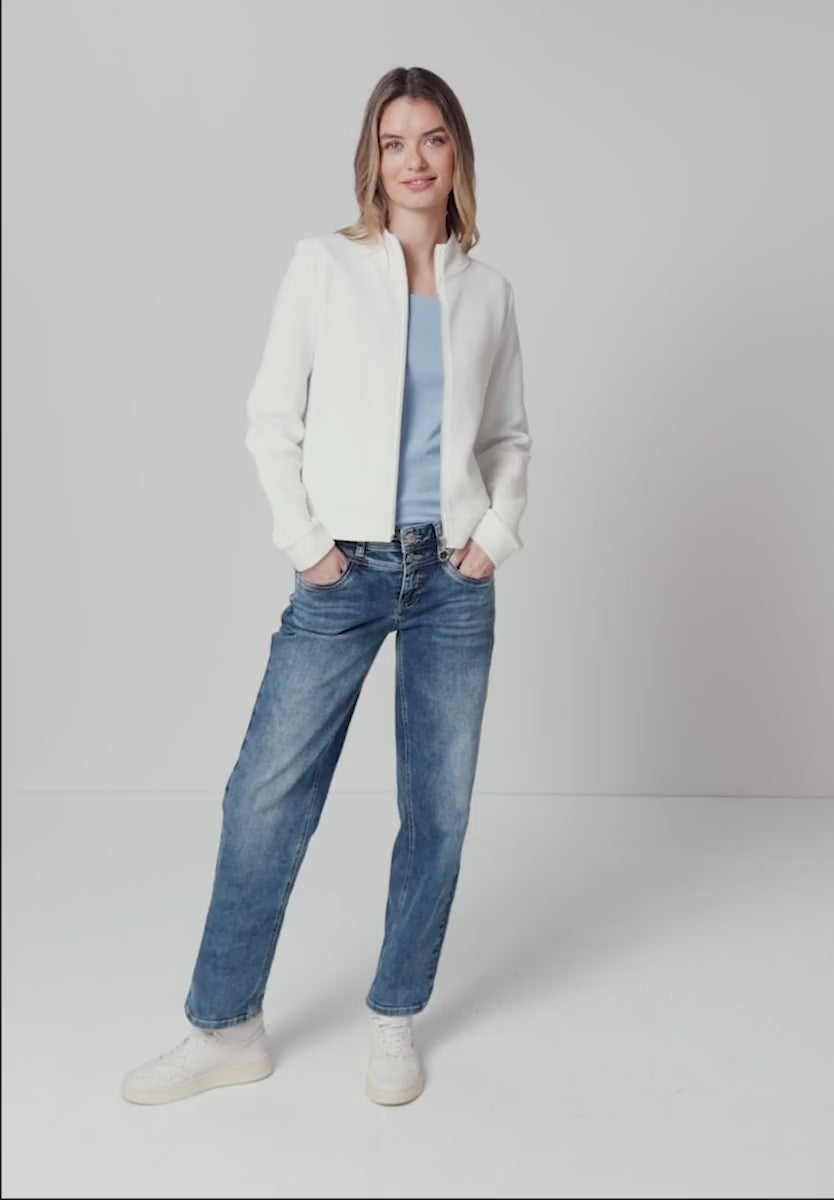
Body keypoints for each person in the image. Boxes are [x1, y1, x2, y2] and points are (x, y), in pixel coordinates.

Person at [122, 65, 531, 1108]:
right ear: (371, 158)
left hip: (452, 579)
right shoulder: (323, 266)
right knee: (264, 796)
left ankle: (395, 1016)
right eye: (394, 141)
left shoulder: (488, 293)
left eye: (432, 138)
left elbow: (507, 437)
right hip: (345, 572)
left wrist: (494, 535)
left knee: (437, 811)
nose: (414, 159)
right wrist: (307, 545)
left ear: (457, 153)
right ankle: (226, 1029)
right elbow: (272, 418)